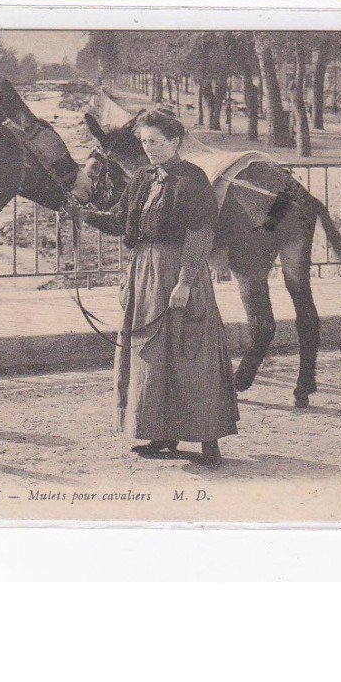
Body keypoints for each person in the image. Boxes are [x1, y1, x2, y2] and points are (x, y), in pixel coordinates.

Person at [83, 109, 239, 466]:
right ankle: (160, 432)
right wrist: (84, 215)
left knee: (190, 351)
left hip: (179, 271)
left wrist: (185, 281)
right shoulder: (141, 179)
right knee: (151, 353)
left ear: (175, 142)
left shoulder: (193, 179)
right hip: (144, 273)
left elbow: (200, 232)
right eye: (143, 142)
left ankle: (207, 437)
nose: (148, 148)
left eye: (155, 141)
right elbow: (121, 222)